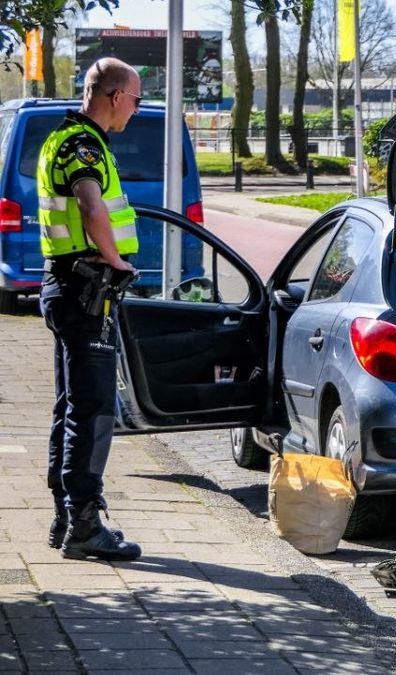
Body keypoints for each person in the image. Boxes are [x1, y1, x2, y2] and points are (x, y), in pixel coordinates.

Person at [37, 57, 143, 562]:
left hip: (65, 287)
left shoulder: (61, 136)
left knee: (70, 406)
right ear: (117, 96)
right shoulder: (84, 145)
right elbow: (89, 203)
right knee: (95, 410)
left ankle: (65, 516)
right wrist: (116, 259)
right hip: (86, 291)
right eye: (137, 99)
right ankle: (83, 523)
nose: (136, 110)